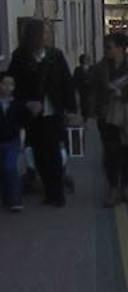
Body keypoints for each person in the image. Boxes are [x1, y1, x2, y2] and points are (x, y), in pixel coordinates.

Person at [5, 19, 78, 206]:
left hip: (53, 111)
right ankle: (48, 188)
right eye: (43, 33)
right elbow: (14, 85)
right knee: (38, 153)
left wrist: (71, 109)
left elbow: (66, 84)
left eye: (48, 33)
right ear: (34, 36)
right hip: (32, 114)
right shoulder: (20, 57)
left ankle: (57, 193)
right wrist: (26, 103)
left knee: (53, 151)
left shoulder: (55, 55)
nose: (47, 36)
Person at [90, 34, 128, 206]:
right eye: (106, 47)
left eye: (110, 47)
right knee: (110, 152)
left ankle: (125, 187)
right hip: (107, 115)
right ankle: (112, 187)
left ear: (120, 48)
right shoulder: (100, 68)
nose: (107, 50)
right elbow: (92, 90)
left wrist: (124, 91)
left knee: (127, 152)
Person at [0, 75, 27, 212]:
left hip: (12, 141)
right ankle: (6, 198)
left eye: (11, 84)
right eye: (4, 84)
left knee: (10, 168)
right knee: (3, 170)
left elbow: (23, 124)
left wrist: (22, 141)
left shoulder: (17, 104)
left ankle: (16, 201)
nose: (7, 87)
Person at [73, 54, 92, 120]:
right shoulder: (77, 69)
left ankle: (89, 116)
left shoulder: (92, 68)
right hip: (82, 90)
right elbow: (75, 80)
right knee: (83, 104)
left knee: (89, 104)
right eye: (86, 59)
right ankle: (85, 117)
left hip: (90, 90)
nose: (88, 60)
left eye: (88, 59)